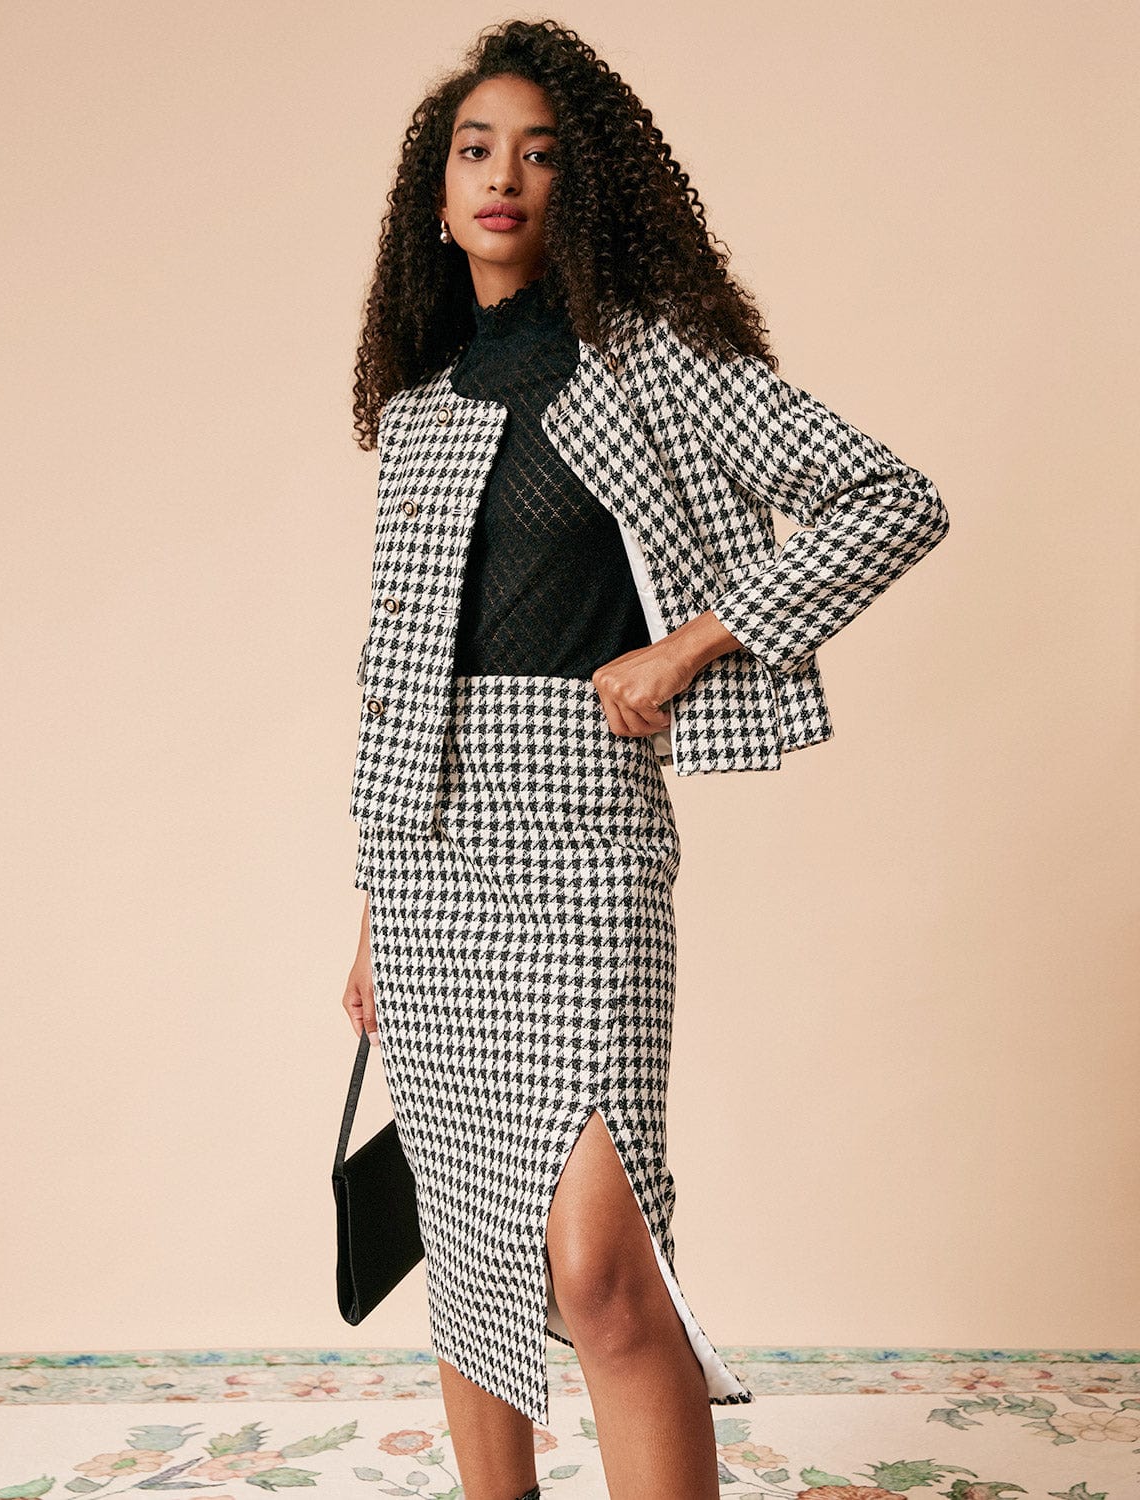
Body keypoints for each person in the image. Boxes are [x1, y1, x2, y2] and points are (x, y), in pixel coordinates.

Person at [342, 19, 949, 1500]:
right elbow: (394, 678)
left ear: (585, 188)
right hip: (426, 855)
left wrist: (689, 645)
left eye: (541, 154)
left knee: (602, 1276)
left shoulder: (654, 364)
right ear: (438, 195)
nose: (505, 176)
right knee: (467, 1241)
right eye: (476, 151)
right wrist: (367, 904)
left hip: (584, 825)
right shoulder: (418, 413)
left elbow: (893, 498)